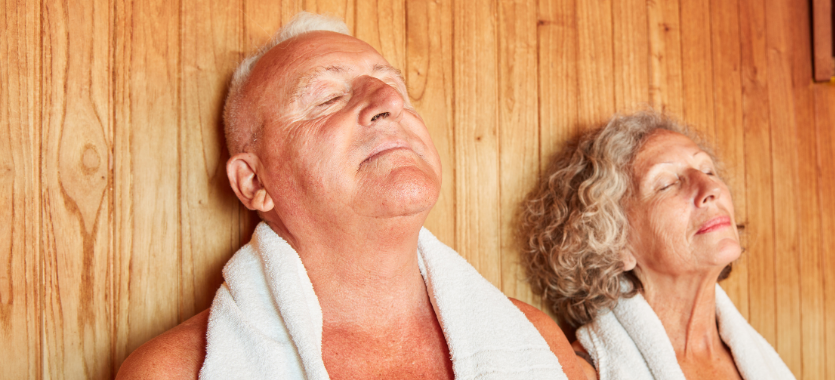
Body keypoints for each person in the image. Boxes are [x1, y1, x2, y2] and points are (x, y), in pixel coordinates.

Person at [117, 12, 585, 380]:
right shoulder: (176, 371)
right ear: (254, 183)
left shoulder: (538, 342)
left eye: (394, 86)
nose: (389, 102)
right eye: (326, 98)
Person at [520, 110, 795, 380]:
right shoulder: (585, 372)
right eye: (666, 184)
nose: (710, 187)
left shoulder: (758, 361)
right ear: (614, 243)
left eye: (707, 169)